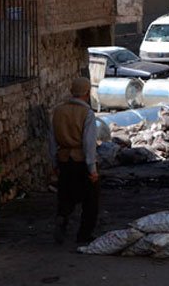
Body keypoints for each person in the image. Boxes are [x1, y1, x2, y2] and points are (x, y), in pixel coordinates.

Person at [49, 77, 99, 244]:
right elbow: (89, 143)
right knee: (90, 200)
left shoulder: (58, 111)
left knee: (65, 194)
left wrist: (54, 164)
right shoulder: (87, 113)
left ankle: (62, 217)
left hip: (63, 159)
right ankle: (84, 234)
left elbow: (51, 140)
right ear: (87, 92)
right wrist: (92, 169)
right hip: (81, 160)